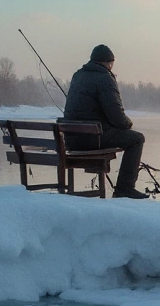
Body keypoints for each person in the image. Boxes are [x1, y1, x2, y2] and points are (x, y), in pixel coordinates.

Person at [62, 45, 147, 198]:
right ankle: (124, 188)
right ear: (108, 63)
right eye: (112, 64)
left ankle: (123, 188)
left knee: (123, 135)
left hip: (71, 140)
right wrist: (128, 124)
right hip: (93, 139)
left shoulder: (78, 75)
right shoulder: (105, 78)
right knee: (137, 139)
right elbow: (117, 118)